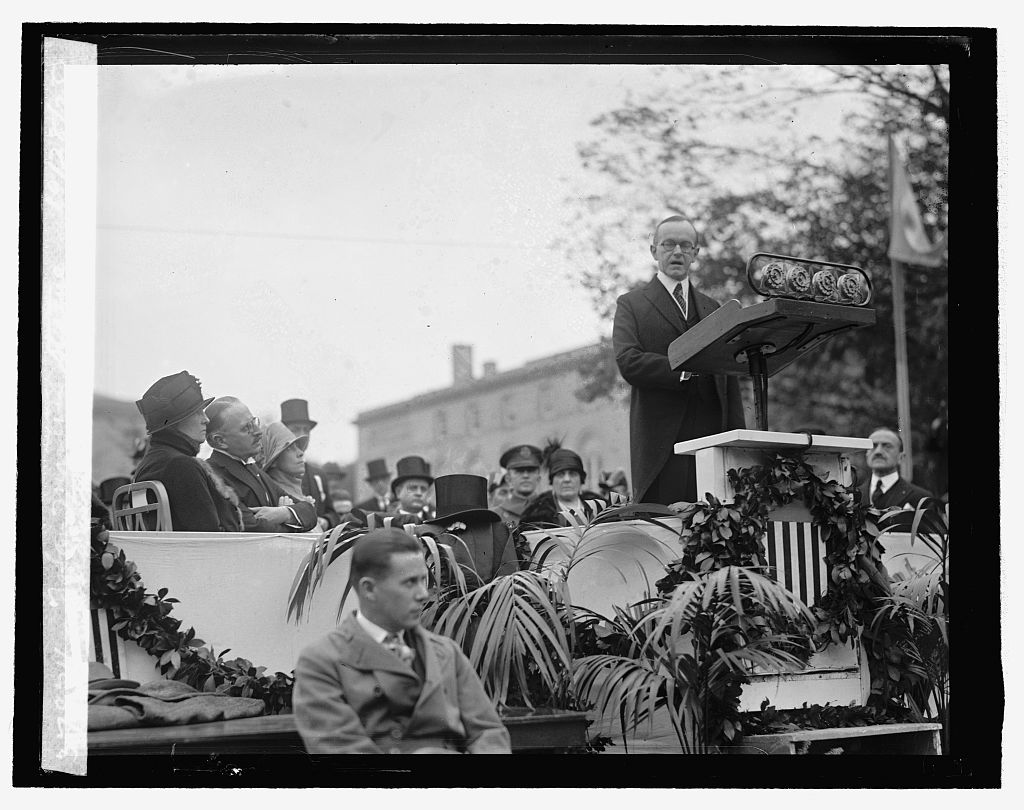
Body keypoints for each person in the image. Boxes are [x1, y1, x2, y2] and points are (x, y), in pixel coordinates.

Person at [292, 527, 512, 754]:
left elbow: (488, 733)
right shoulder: (323, 661)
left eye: (423, 581)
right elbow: (341, 751)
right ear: (369, 589)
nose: (423, 594)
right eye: (409, 583)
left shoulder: (446, 652)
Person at [612, 214, 745, 505]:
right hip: (662, 446)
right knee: (666, 534)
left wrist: (738, 442)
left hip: (713, 444)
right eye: (668, 244)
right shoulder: (631, 304)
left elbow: (729, 379)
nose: (677, 252)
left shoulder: (715, 309)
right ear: (654, 251)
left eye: (685, 246)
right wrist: (681, 373)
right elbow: (628, 359)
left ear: (695, 253)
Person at [132, 371, 243, 532]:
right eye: (197, 412)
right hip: (202, 554)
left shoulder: (151, 462)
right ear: (176, 422)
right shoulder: (181, 466)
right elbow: (208, 533)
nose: (206, 419)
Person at [205, 396, 319, 533]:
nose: (258, 432)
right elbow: (250, 527)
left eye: (254, 422)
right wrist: (291, 521)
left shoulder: (253, 469)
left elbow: (309, 511)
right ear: (220, 441)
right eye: (246, 428)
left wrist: (284, 513)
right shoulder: (212, 475)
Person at [281, 398, 339, 531]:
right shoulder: (272, 471)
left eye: (306, 430)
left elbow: (333, 513)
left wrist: (326, 521)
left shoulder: (318, 475)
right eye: (295, 429)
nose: (302, 435)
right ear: (283, 432)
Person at [519, 448, 607, 528]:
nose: (567, 479)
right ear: (552, 481)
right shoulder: (535, 517)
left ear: (581, 479)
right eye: (560, 474)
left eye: (572, 474)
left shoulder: (602, 509)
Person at [859, 426, 932, 509]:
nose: (878, 451)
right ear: (866, 454)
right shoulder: (853, 496)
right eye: (873, 446)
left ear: (901, 457)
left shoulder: (922, 498)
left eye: (887, 446)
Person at [259, 421, 316, 506]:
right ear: (274, 461)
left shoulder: (297, 494)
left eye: (297, 447)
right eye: (289, 448)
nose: (301, 453)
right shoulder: (268, 497)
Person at [493, 444, 543, 527]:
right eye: (519, 471)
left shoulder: (552, 511)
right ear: (508, 479)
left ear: (538, 478)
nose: (525, 476)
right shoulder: (495, 516)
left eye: (531, 471)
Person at [388, 455, 434, 522]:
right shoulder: (387, 523)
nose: (419, 493)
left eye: (423, 489)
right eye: (413, 488)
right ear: (398, 492)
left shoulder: (436, 525)